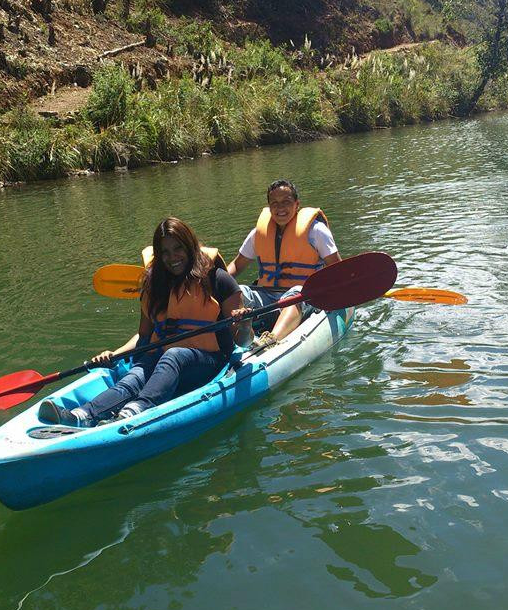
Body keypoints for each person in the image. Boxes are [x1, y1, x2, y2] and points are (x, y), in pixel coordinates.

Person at [40, 217, 252, 427]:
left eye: (178, 248)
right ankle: (81, 415)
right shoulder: (154, 285)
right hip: (163, 356)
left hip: (210, 361)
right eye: (165, 252)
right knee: (136, 374)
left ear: (190, 247)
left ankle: (136, 410)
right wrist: (115, 354)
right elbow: (145, 336)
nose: (172, 257)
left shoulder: (218, 280)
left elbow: (243, 342)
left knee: (173, 355)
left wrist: (244, 324)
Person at [228, 180, 341, 345]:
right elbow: (237, 266)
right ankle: (236, 337)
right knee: (240, 291)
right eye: (275, 203)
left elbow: (336, 268)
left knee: (296, 292)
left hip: (306, 298)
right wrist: (217, 283)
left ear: (297, 204)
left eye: (286, 202)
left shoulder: (315, 231)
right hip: (267, 298)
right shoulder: (257, 234)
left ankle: (271, 340)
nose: (280, 208)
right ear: (269, 206)